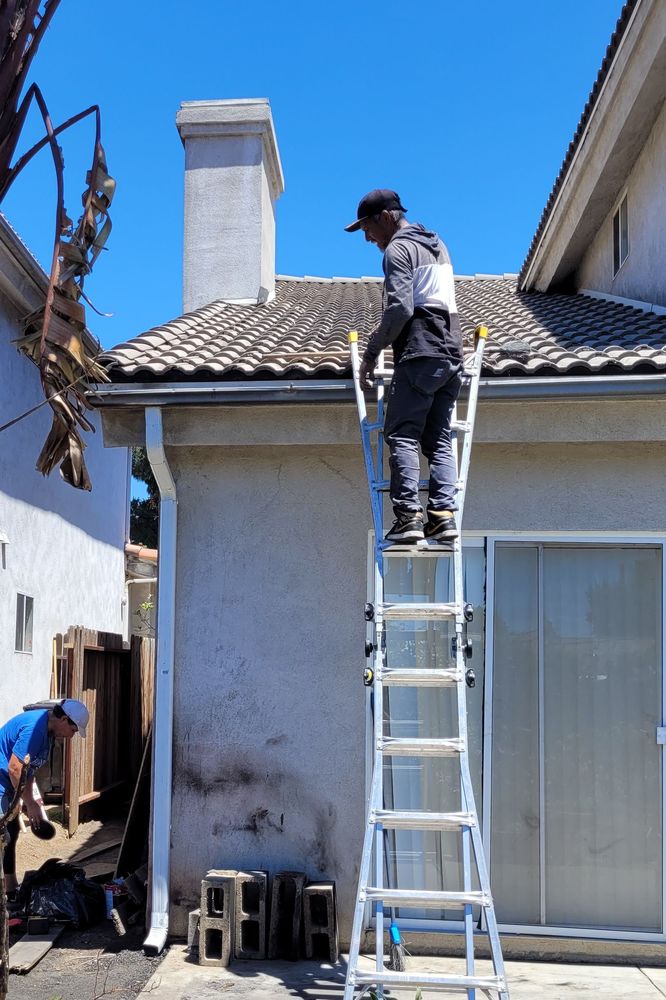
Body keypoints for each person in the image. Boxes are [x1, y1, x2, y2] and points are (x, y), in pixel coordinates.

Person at [345, 189, 464, 543]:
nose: (368, 239)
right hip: (450, 353)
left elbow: (400, 309)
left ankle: (409, 518)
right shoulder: (436, 243)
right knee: (440, 438)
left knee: (402, 433)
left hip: (421, 351)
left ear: (386, 217)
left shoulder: (398, 249)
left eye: (367, 228)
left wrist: (370, 353)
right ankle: (442, 517)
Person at [0, 699, 88, 896]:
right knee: (2, 836)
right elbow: (15, 768)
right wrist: (26, 802)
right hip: (2, 779)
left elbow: (27, 771)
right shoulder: (35, 729)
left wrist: (32, 804)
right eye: (73, 731)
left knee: (11, 832)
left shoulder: (47, 734)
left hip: (7, 781)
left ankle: (10, 887)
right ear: (64, 719)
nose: (72, 736)